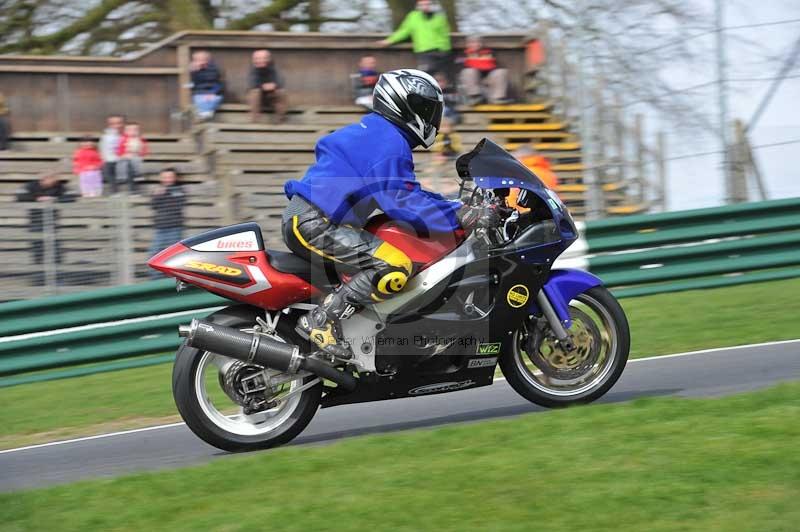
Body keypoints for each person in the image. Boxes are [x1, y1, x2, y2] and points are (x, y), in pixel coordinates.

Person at [282, 69, 497, 358]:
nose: (433, 118)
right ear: (403, 104)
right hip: (315, 224)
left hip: (313, 219)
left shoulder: (378, 134)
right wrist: (458, 217)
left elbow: (406, 192)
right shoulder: (388, 142)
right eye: (426, 109)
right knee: (395, 265)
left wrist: (455, 206)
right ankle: (322, 321)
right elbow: (402, 203)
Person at [16, 173, 69, 281]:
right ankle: (38, 278)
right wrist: (37, 199)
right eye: (51, 182)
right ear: (43, 180)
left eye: (55, 182)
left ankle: (57, 277)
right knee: (38, 251)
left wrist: (55, 200)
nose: (53, 185)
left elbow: (71, 196)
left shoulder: (59, 186)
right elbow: (19, 196)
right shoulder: (31, 186)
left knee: (56, 251)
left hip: (52, 223)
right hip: (36, 222)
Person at [379, 0, 452, 75]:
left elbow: (444, 35)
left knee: (442, 77)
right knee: (425, 75)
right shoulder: (413, 17)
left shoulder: (439, 18)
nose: (425, 7)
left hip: (441, 52)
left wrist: (445, 50)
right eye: (422, 5)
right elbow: (404, 31)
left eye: (427, 4)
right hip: (424, 52)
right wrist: (390, 40)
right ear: (418, 6)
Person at [148, 168, 186, 277]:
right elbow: (153, 206)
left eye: (170, 177)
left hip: (174, 228)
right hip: (160, 228)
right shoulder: (158, 190)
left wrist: (165, 194)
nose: (167, 179)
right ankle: (155, 279)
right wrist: (157, 195)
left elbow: (177, 205)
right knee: (154, 254)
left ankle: (176, 278)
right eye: (165, 177)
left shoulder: (179, 190)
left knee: (174, 255)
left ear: (175, 178)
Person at [458, 36, 510, 104]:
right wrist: (472, 61)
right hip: (473, 85)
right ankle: (475, 97)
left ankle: (498, 98)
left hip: (488, 83)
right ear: (467, 44)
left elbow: (498, 67)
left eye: (478, 42)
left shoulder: (489, 53)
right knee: (469, 72)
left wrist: (488, 63)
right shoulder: (462, 55)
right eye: (472, 42)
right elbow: (460, 70)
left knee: (501, 72)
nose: (475, 44)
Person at [248, 49, 287, 124]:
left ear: (268, 59)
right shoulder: (252, 69)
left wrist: (275, 85)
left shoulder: (275, 68)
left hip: (272, 96)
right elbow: (252, 83)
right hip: (258, 98)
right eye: (257, 59)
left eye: (263, 58)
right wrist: (262, 86)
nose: (260, 61)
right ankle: (254, 121)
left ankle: (281, 119)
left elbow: (281, 81)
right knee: (255, 91)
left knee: (281, 92)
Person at [189, 50, 224, 121]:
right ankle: (206, 114)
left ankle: (204, 114)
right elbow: (194, 83)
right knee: (199, 99)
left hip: (213, 92)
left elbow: (215, 82)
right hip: (199, 92)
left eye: (201, 59)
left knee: (212, 99)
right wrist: (194, 72)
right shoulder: (193, 70)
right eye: (197, 60)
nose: (199, 61)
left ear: (207, 60)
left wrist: (212, 93)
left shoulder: (214, 69)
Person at [116, 122, 148, 193]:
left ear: (138, 131)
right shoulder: (123, 140)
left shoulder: (140, 140)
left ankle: (138, 174)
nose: (132, 132)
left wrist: (140, 153)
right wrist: (124, 155)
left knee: (136, 161)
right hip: (125, 157)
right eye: (130, 130)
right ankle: (122, 176)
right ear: (125, 131)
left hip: (136, 157)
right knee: (124, 164)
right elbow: (119, 151)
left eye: (135, 130)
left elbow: (144, 149)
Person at [99, 114, 124, 193]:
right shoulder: (105, 137)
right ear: (109, 124)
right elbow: (103, 149)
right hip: (109, 160)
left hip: (122, 160)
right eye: (113, 124)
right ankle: (114, 191)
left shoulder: (125, 136)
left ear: (122, 124)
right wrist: (103, 160)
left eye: (118, 123)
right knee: (108, 169)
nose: (116, 126)